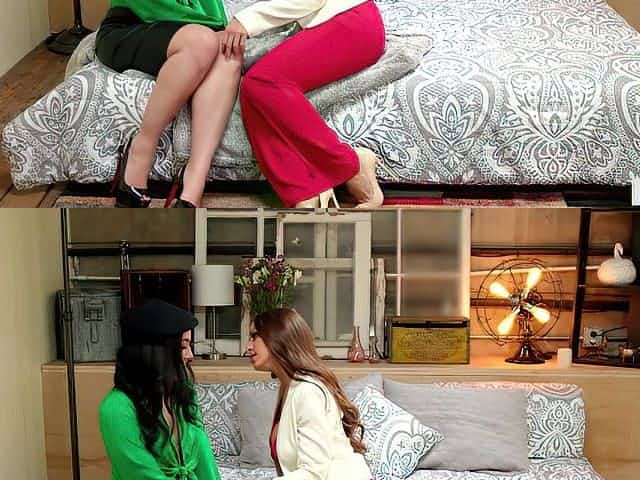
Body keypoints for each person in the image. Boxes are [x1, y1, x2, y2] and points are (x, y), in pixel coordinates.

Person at [226, 0, 386, 208]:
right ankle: (304, 188)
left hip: (351, 20)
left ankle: (350, 164)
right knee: (252, 89)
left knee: (263, 82)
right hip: (339, 22)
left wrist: (246, 21)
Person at [95, 0, 248, 207]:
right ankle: (140, 150)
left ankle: (195, 179)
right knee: (203, 40)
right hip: (132, 26)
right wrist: (211, 31)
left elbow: (214, 13)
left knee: (229, 51)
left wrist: (221, 30)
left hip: (194, 34)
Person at [99, 299, 221, 480]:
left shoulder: (183, 393)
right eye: (183, 346)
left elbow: (204, 456)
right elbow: (140, 474)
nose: (190, 355)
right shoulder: (116, 408)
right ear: (156, 352)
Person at [246, 308, 372, 479]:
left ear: (277, 338)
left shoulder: (307, 392)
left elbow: (314, 472)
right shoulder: (288, 387)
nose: (248, 346)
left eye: (254, 337)